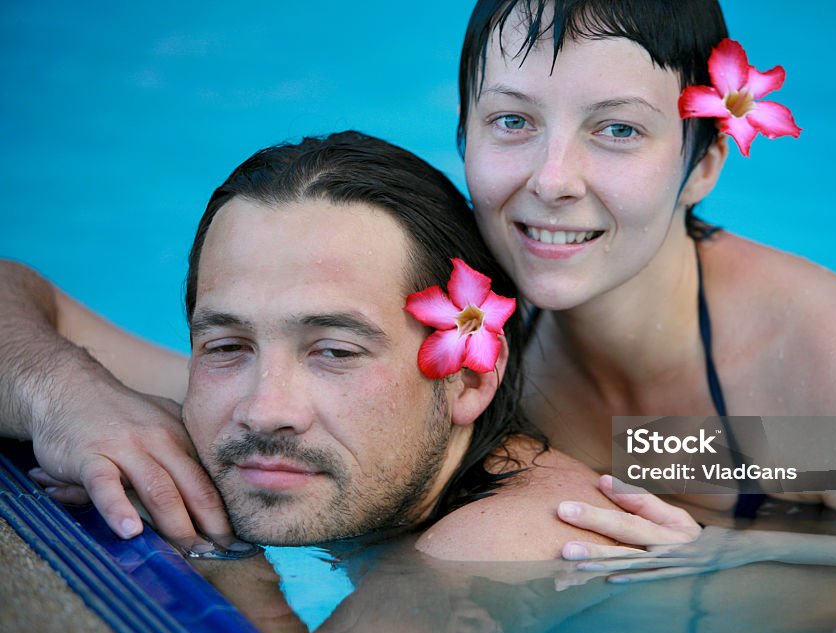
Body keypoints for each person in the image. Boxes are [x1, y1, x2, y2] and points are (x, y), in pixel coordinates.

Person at [454, 0, 836, 575]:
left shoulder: (832, 360)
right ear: (464, 133)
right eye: (513, 121)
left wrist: (750, 550)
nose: (552, 180)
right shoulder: (452, 316)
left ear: (705, 165)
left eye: (619, 129)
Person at [0, 131, 639, 558]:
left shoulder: (506, 538)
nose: (264, 409)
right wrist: (66, 393)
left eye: (334, 352)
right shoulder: (251, 415)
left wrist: (214, 552)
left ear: (466, 379)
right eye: (227, 344)